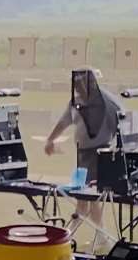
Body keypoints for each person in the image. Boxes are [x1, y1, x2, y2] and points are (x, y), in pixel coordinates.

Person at [47, 68, 125, 247]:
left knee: (87, 197)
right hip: (82, 154)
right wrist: (50, 140)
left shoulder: (107, 101)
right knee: (89, 196)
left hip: (99, 155)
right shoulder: (76, 102)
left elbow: (122, 119)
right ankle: (100, 235)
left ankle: (70, 236)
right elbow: (64, 121)